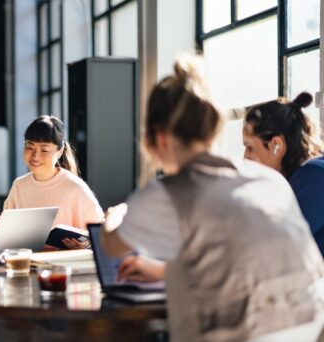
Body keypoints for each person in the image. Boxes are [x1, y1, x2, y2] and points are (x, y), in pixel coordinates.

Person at [100, 56, 324, 341]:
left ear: (160, 138)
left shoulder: (171, 191)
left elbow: (112, 245)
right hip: (309, 328)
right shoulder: (269, 180)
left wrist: (116, 216)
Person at [3, 115, 103, 249]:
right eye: (30, 147)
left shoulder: (75, 187)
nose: (35, 156)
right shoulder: (19, 186)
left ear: (60, 151)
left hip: (65, 265)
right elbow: (6, 235)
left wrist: (85, 245)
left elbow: (101, 235)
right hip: (28, 265)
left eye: (44, 150)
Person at [242, 92, 324, 255]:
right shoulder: (305, 178)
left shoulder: (315, 176)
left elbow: (271, 246)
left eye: (250, 147)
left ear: (276, 145)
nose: (245, 157)